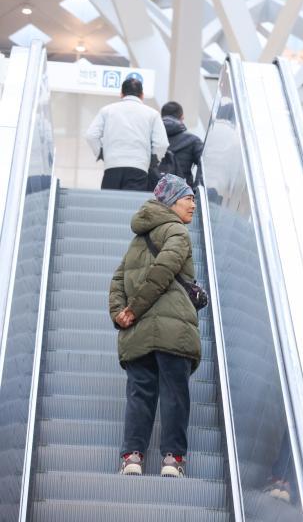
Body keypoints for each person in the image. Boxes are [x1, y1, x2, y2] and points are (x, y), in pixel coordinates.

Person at [110, 174, 200, 478]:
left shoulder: (137, 240)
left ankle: (132, 457)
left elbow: (117, 280)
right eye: (188, 198)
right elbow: (164, 270)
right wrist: (131, 310)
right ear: (172, 201)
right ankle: (173, 459)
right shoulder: (177, 232)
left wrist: (120, 313)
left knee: (140, 394)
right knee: (175, 394)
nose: (193, 204)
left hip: (137, 334)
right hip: (173, 330)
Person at [85, 78, 169, 191]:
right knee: (131, 206)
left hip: (112, 166)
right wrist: (152, 160)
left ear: (121, 94)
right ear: (142, 95)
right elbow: (162, 143)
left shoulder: (107, 110)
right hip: (139, 167)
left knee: (109, 204)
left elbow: (91, 135)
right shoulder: (152, 114)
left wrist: (101, 153)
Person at [150, 101, 204, 189]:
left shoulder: (150, 138)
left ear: (161, 117)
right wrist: (196, 189)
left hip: (152, 192)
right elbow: (205, 165)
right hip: (182, 193)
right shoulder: (193, 140)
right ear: (182, 117)